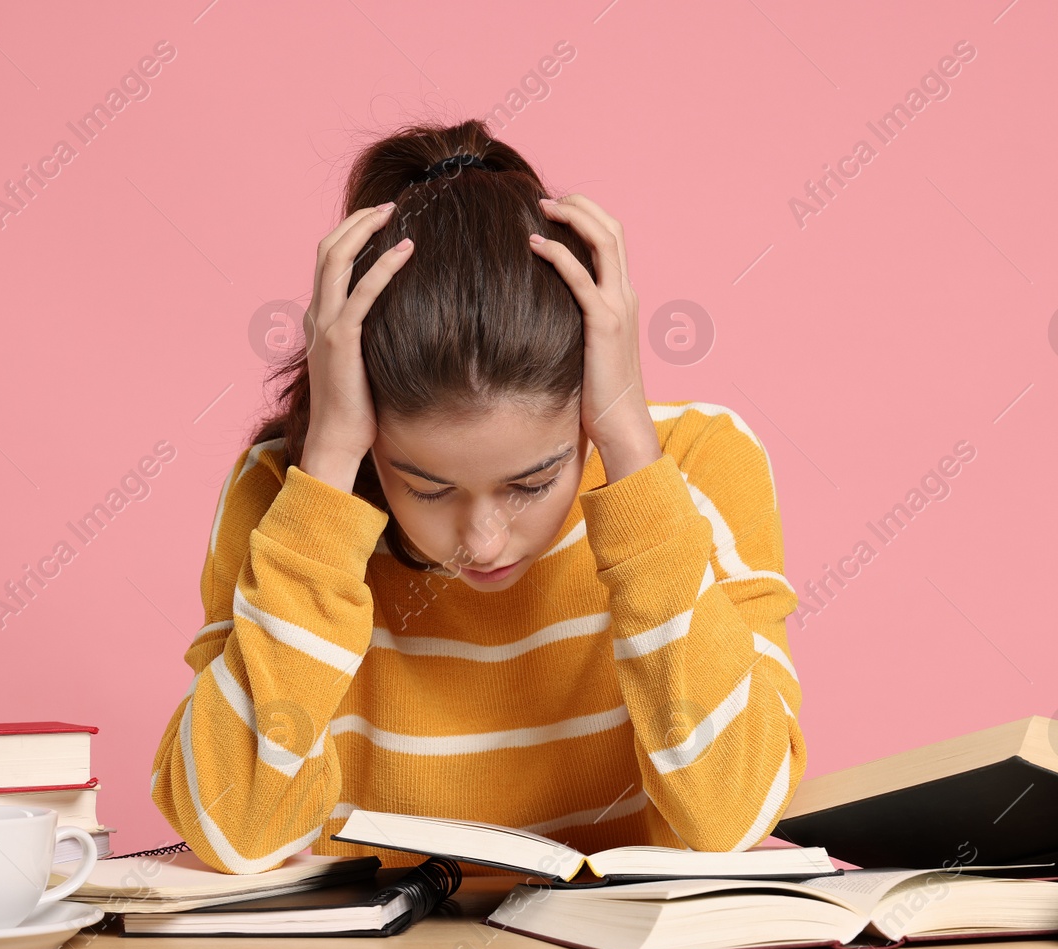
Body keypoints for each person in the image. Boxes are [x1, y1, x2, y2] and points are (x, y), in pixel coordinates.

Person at [150, 119, 805, 876]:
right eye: (426, 485)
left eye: (532, 483)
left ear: (589, 399)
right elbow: (236, 828)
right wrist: (328, 469)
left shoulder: (691, 464)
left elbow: (730, 815)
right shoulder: (292, 498)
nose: (482, 539)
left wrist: (631, 455)